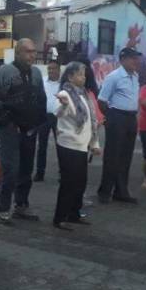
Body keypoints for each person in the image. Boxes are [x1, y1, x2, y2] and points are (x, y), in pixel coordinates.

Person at [0, 38, 47, 223]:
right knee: (11, 169)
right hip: (10, 130)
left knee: (26, 169)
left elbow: (41, 99)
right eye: (28, 51)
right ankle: (3, 207)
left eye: (34, 51)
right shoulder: (4, 73)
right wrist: (5, 122)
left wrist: (38, 123)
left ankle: (21, 206)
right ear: (17, 53)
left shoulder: (36, 74)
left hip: (30, 130)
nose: (32, 55)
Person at [52, 62, 101, 230]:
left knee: (80, 182)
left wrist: (94, 143)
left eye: (84, 74)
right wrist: (64, 104)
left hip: (82, 146)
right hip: (68, 145)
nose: (84, 77)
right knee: (68, 182)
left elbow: (91, 121)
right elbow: (58, 112)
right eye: (80, 74)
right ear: (70, 76)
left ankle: (74, 213)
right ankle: (60, 218)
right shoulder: (65, 93)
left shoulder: (84, 94)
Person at [97, 47, 143, 204]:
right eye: (132, 58)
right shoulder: (114, 77)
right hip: (117, 116)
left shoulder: (135, 76)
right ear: (123, 60)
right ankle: (105, 191)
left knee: (126, 156)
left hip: (130, 118)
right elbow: (102, 100)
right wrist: (110, 116)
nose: (135, 61)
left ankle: (121, 190)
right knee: (112, 155)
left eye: (136, 58)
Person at [34, 59, 61, 182]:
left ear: (59, 70)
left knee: (60, 145)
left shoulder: (63, 83)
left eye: (53, 68)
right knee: (42, 146)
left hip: (59, 118)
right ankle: (40, 173)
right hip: (43, 116)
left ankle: (63, 173)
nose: (51, 71)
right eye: (49, 68)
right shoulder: (42, 81)